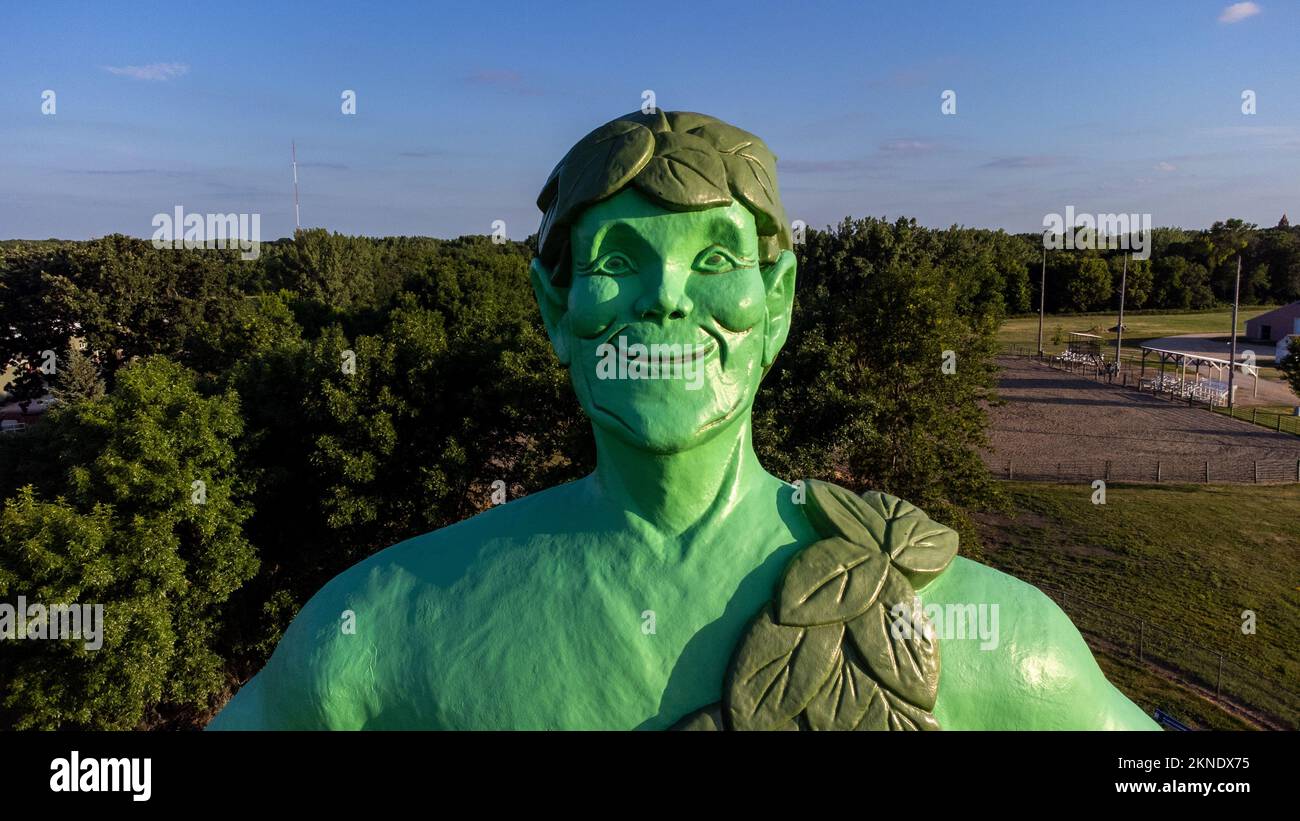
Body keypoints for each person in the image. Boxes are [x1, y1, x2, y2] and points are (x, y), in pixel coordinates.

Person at [208, 111, 1157, 730]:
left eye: (715, 261)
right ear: (554, 305)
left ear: (778, 299)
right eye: (618, 259)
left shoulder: (977, 630)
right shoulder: (380, 627)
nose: (665, 298)